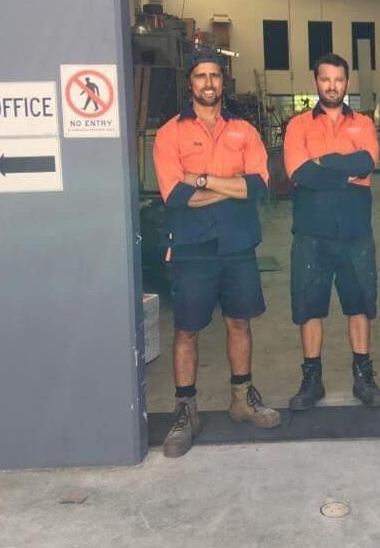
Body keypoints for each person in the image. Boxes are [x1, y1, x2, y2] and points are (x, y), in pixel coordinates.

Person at [153, 49, 280, 458]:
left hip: (238, 243)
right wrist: (231, 187)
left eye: (215, 76)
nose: (208, 83)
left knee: (239, 323)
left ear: (224, 82)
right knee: (186, 329)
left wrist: (204, 179)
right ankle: (185, 409)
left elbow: (259, 186)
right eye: (200, 76)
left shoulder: (245, 130)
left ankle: (241, 398)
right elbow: (175, 195)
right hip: (191, 246)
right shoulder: (170, 134)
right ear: (189, 83)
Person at [282, 53, 380, 410]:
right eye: (325, 79)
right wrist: (345, 171)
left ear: (347, 83)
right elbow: (298, 172)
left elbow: (368, 161)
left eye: (338, 79)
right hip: (312, 232)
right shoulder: (297, 126)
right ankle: (312, 380)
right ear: (316, 82)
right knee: (310, 307)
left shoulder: (364, 125)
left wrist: (322, 164)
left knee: (359, 305)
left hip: (356, 231)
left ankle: (363, 376)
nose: (332, 86)